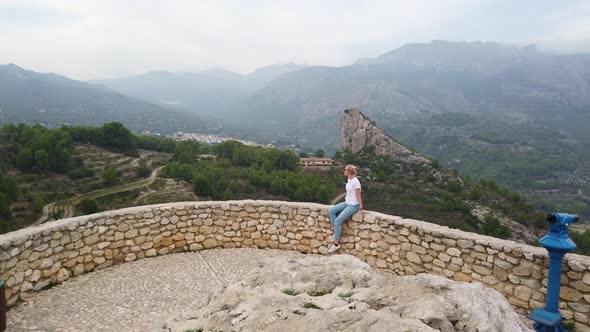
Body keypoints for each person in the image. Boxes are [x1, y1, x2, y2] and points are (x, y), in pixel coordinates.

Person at [328, 164, 366, 253]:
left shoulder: (356, 182)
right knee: (331, 210)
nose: (343, 171)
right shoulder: (349, 179)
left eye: (345, 170)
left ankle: (336, 244)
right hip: (347, 203)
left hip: (353, 206)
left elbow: (358, 196)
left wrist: (361, 209)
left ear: (349, 171)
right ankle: (334, 227)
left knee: (338, 221)